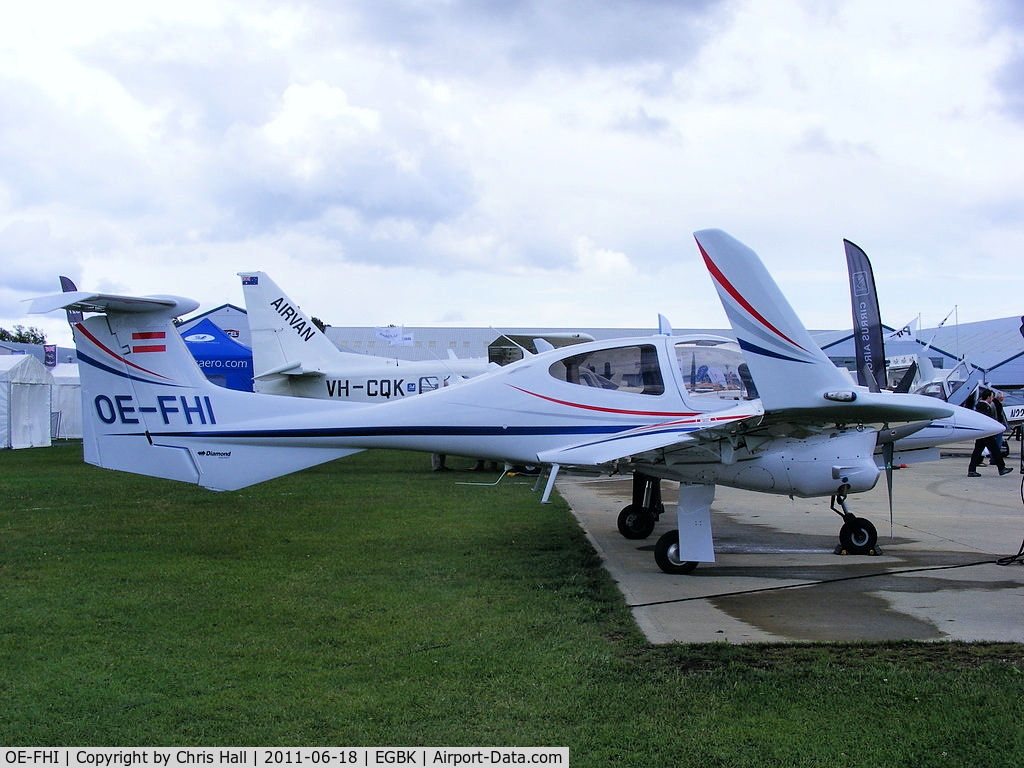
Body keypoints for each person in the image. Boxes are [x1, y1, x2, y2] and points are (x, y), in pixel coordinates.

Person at [968, 389, 1012, 477]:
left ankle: (972, 470)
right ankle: (1001, 468)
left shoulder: (982, 405)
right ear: (988, 397)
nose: (992, 399)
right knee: (995, 450)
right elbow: (986, 420)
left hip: (983, 433)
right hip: (986, 433)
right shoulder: (984, 406)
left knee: (978, 451)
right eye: (991, 397)